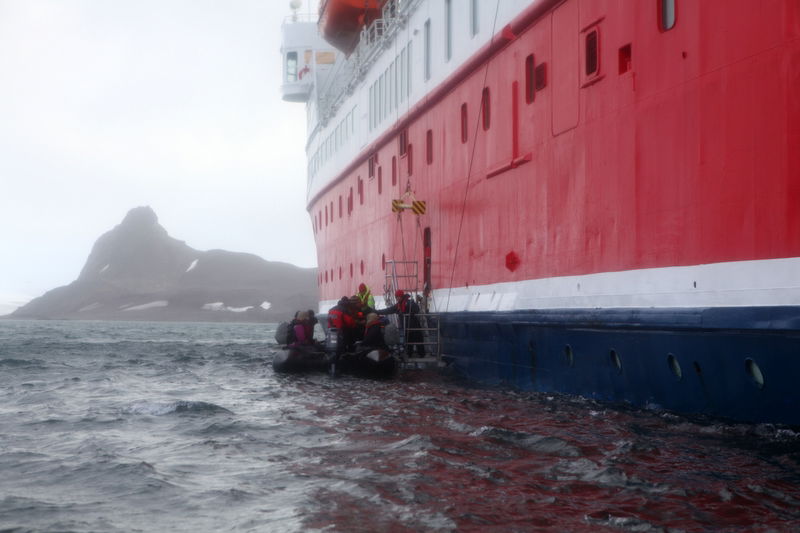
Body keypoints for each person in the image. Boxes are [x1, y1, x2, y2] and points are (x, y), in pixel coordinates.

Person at [378, 290, 425, 356]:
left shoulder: (409, 302)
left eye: (399, 296)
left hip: (415, 326)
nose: (397, 298)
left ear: (402, 296)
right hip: (407, 327)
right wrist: (377, 312)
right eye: (396, 297)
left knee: (419, 341)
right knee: (409, 343)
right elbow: (388, 310)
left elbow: (416, 309)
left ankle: (421, 355)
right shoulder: (398, 306)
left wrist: (409, 308)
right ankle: (409, 355)